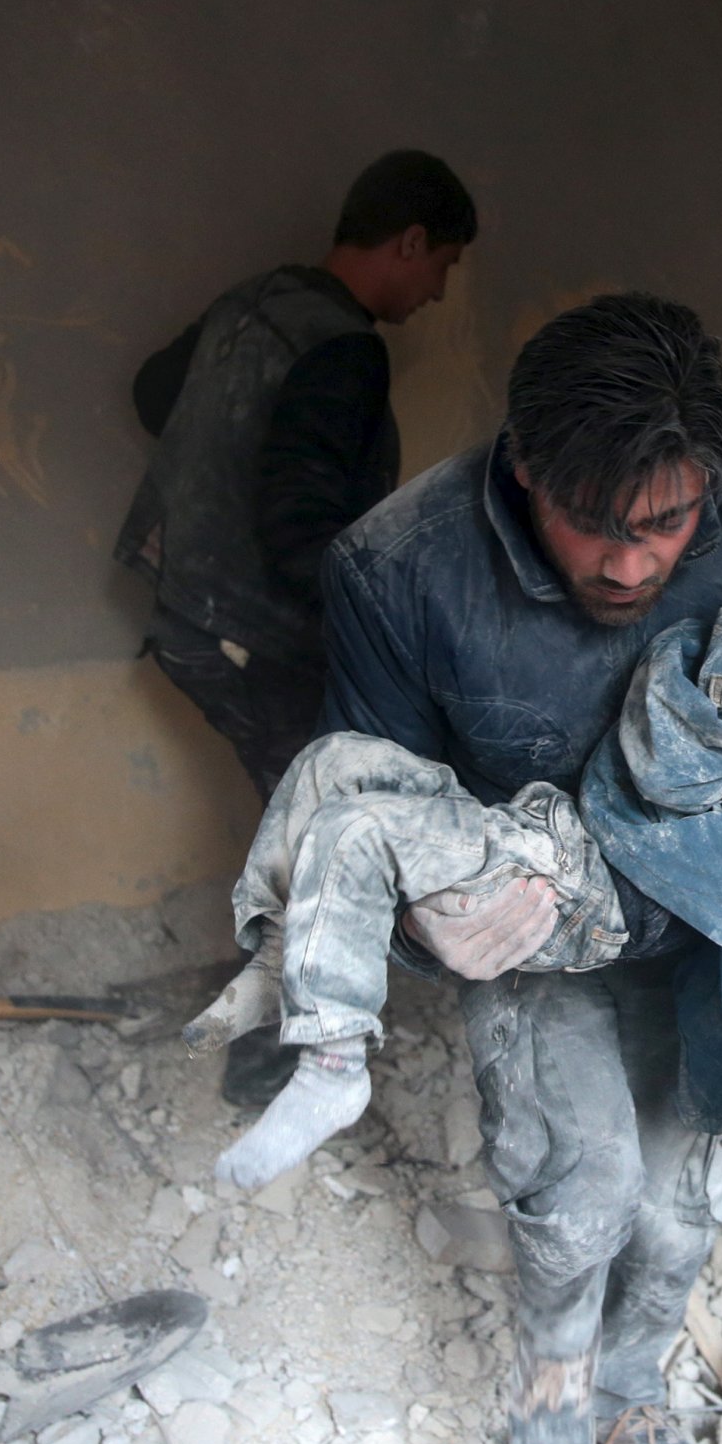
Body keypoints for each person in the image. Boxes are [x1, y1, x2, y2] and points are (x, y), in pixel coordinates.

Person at [314, 293, 722, 1444]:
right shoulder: (396, 568)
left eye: (668, 523)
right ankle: (555, 1378)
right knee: (581, 1195)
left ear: (716, 479)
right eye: (590, 525)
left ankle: (632, 1384)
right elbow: (370, 825)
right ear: (524, 466)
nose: (630, 563)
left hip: (720, 923)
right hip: (542, 938)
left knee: (681, 1209)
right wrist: (428, 923)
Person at [184, 570, 722, 1191]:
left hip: (577, 893)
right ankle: (280, 959)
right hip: (545, 835)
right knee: (335, 763)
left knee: (357, 830)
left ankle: (332, 1066)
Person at [111, 148, 475, 1108]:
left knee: (299, 813)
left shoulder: (258, 302)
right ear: (407, 241)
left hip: (186, 611)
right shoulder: (344, 348)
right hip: (248, 630)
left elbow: (156, 391)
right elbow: (303, 525)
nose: (437, 292)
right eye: (440, 264)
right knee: (320, 834)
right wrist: (375, 644)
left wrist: (218, 467)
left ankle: (289, 1023)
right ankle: (276, 1058)